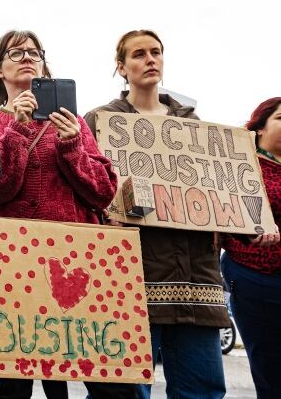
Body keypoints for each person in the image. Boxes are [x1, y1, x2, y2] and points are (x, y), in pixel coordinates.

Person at [0, 30, 137, 399]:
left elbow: (102, 192)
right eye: (15, 52)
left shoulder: (72, 122)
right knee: (11, 380)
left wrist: (71, 145)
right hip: (12, 266)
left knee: (103, 378)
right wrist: (18, 130)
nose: (27, 57)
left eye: (34, 53)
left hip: (73, 265)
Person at [84, 29, 229, 399]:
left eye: (156, 52)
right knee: (122, 391)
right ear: (121, 67)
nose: (150, 59)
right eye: (138, 54)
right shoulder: (100, 121)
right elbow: (84, 187)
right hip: (129, 272)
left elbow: (221, 195)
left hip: (196, 278)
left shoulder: (195, 127)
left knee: (203, 390)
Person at [221, 97, 281, 398]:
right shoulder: (242, 166)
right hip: (256, 276)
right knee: (271, 367)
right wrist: (250, 229)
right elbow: (222, 215)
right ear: (259, 128)